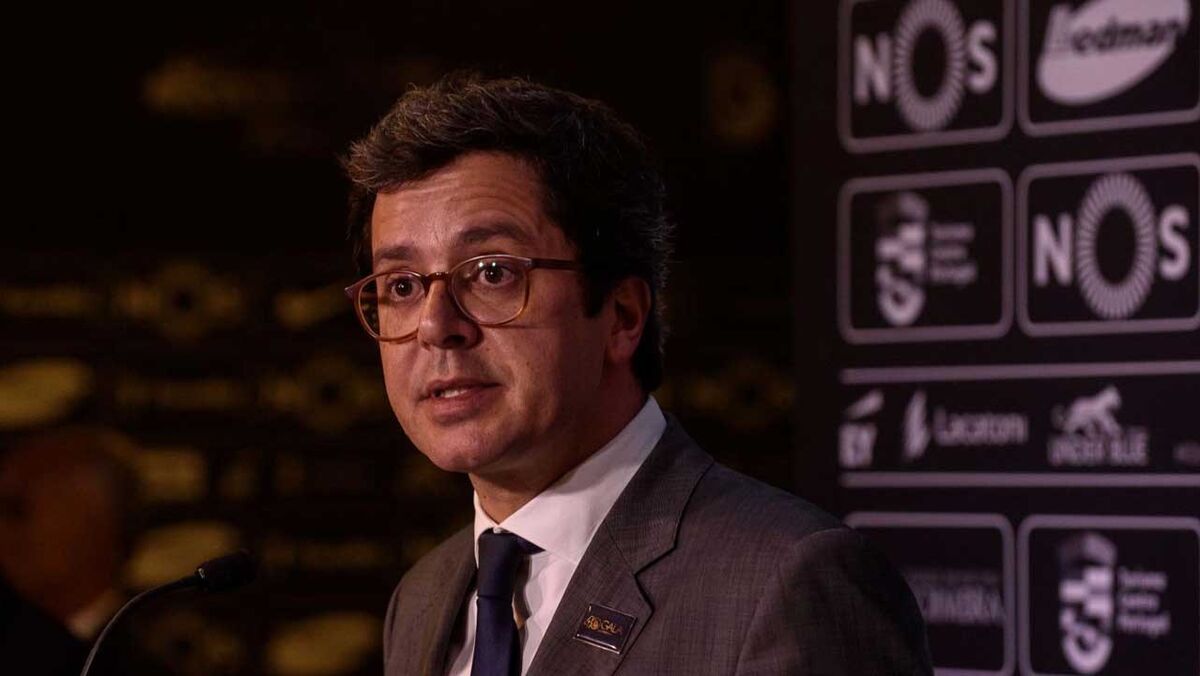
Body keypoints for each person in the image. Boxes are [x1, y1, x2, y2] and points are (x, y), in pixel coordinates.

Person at [343, 75, 931, 675]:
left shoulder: (787, 583)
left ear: (622, 315)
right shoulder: (421, 600)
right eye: (402, 286)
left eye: (493, 272)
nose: (435, 326)